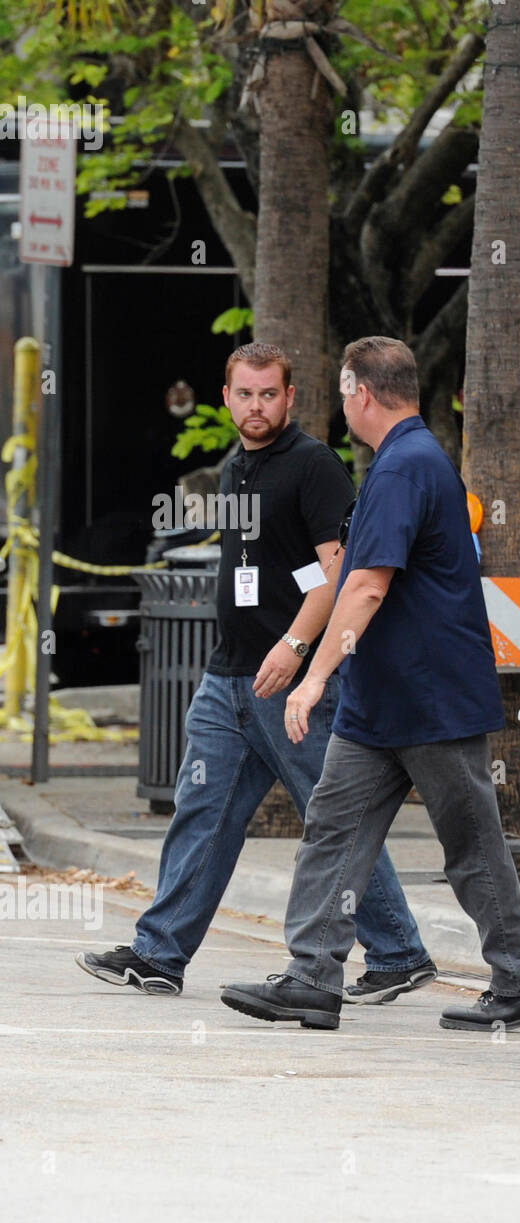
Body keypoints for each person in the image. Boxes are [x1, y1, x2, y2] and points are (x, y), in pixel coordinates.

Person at [76, 342, 434, 1003]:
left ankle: (399, 952)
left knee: (334, 820)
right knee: (200, 811)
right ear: (227, 397)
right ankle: (159, 954)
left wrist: (297, 650)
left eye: (269, 394)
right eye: (245, 394)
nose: (257, 405)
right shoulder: (236, 467)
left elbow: (339, 572)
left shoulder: (313, 465)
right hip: (225, 678)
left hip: (290, 683)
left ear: (291, 398)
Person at [219, 336, 520, 1032]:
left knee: (471, 847)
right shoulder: (396, 463)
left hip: (430, 699)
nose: (342, 408)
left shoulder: (405, 467)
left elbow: (369, 586)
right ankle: (312, 976)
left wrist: (313, 678)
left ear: (360, 393)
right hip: (382, 702)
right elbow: (353, 579)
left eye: (344, 395)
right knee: (333, 830)